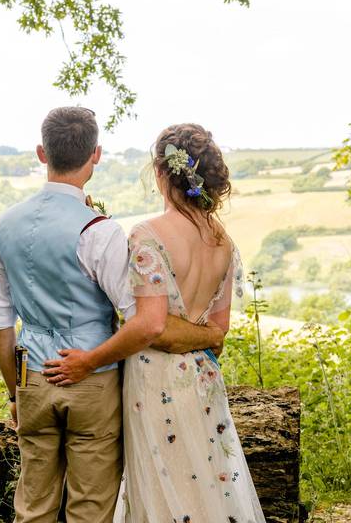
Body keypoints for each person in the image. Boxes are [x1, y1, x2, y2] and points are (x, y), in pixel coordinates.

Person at [0, 108, 224, 522]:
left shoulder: (2, 225)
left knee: (33, 506)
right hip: (91, 382)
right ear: (95, 155)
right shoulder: (99, 231)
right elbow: (142, 321)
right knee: (91, 509)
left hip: (32, 380)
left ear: (42, 153)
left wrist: (14, 392)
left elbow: (0, 322)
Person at [44, 123, 267, 522]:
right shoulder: (221, 240)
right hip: (203, 378)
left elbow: (149, 325)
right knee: (203, 487)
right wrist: (208, 335)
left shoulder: (148, 234)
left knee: (164, 488)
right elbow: (218, 329)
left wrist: (89, 361)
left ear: (162, 173)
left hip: (156, 379)